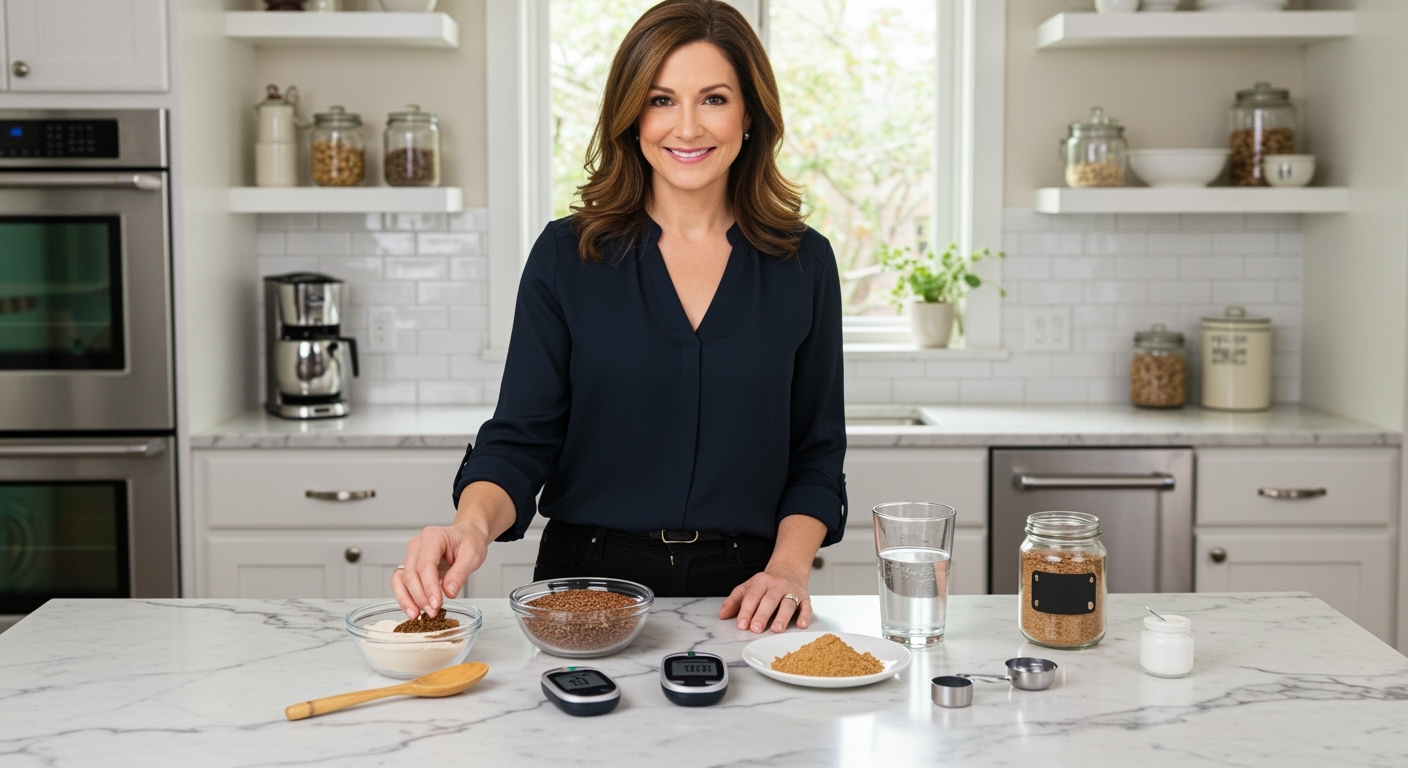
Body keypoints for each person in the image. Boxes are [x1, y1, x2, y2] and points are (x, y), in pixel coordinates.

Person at [392, 0, 845, 635]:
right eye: (661, 100)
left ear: (750, 114)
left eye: (713, 98)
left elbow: (817, 455)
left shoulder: (805, 264)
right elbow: (522, 439)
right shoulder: (565, 255)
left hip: (748, 595)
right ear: (630, 116)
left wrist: (789, 570)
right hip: (587, 580)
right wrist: (469, 525)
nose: (687, 127)